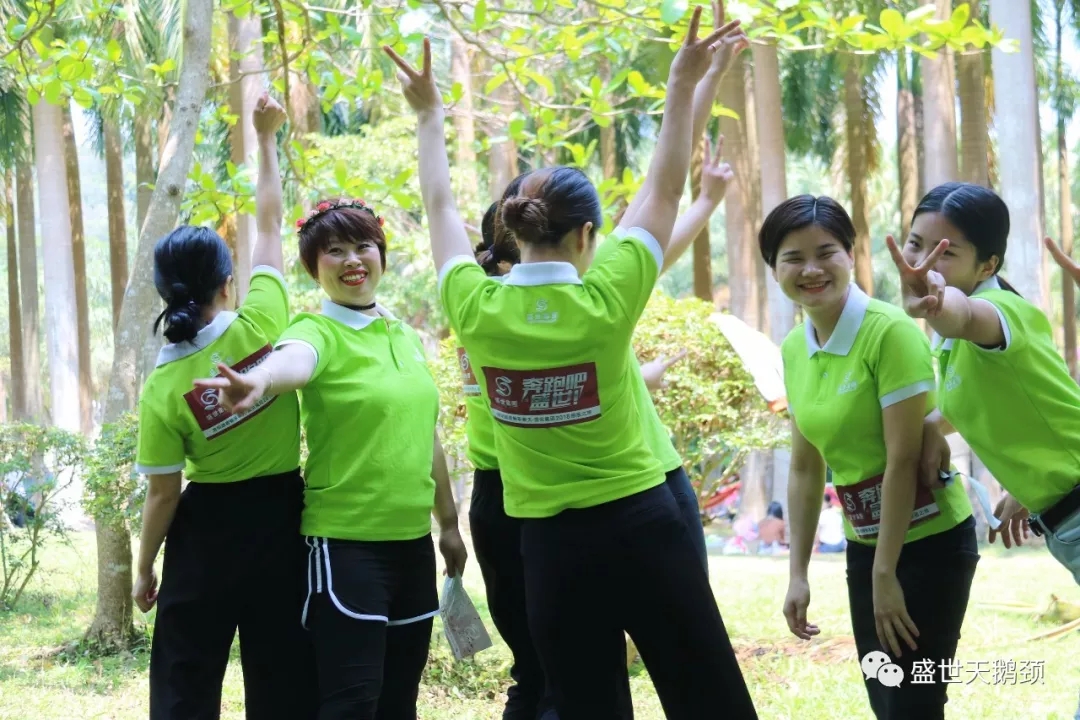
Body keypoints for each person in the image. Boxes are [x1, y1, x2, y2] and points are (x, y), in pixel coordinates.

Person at [386, 5, 759, 718]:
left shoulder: (475, 307)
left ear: (511, 233)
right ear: (588, 235)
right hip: (646, 526)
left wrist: (429, 116)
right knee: (708, 699)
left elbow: (438, 209)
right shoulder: (607, 296)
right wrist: (683, 83)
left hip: (552, 551)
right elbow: (662, 191)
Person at [196, 193, 468, 717]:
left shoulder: (405, 336)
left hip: (413, 548)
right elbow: (293, 362)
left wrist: (450, 525)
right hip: (345, 548)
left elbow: (425, 434)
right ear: (313, 267)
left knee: (400, 703)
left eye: (363, 246)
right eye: (334, 250)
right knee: (351, 704)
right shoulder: (314, 330)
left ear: (382, 254)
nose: (352, 260)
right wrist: (259, 380)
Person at [132, 94, 317, 720]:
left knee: (184, 684)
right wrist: (264, 140)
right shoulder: (263, 320)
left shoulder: (162, 387)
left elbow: (163, 493)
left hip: (204, 534)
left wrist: (144, 568)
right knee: (284, 678)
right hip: (282, 521)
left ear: (165, 293)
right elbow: (269, 224)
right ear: (228, 282)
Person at [764, 195, 976, 720]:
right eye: (793, 258)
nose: (811, 270)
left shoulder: (889, 332)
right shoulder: (793, 348)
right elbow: (806, 466)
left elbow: (903, 460)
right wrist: (798, 573)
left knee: (913, 703)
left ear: (851, 255)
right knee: (888, 696)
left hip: (930, 542)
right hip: (865, 545)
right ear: (774, 268)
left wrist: (886, 573)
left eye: (825, 253)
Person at [887, 183, 1080, 587]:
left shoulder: (999, 312)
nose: (923, 263)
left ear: (987, 266)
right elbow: (984, 403)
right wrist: (931, 426)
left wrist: (935, 304)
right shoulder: (956, 348)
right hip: (1065, 523)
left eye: (945, 253)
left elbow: (961, 314)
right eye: (915, 244)